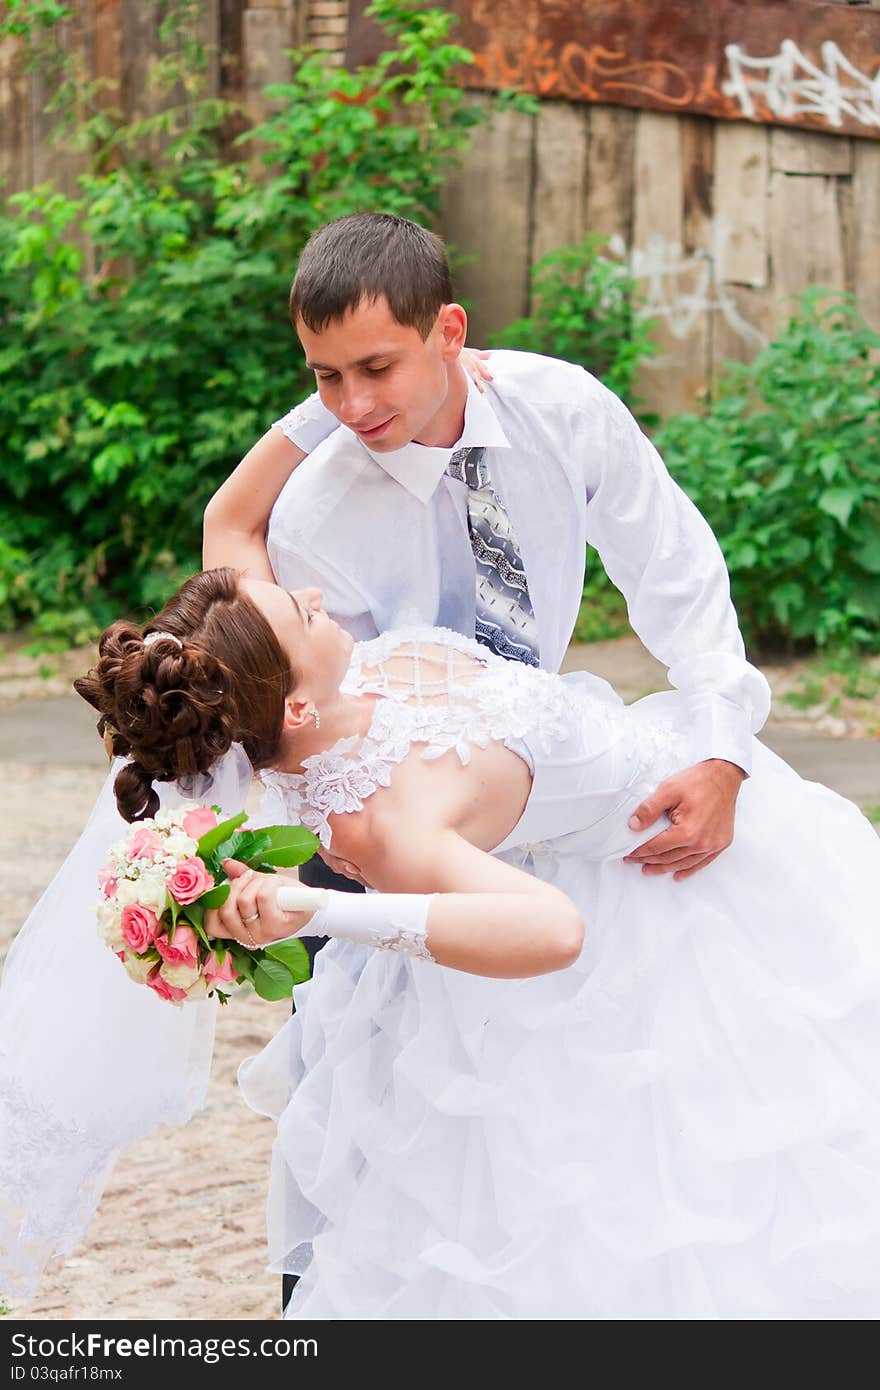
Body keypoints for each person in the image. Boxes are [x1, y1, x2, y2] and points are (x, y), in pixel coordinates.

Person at [66, 568, 880, 1319]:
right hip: (676, 887)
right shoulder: (384, 822)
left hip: (714, 801)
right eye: (301, 613)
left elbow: (230, 520)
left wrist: (341, 409)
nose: (316, 597)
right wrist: (314, 906)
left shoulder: (315, 707)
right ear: (296, 708)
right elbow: (556, 929)